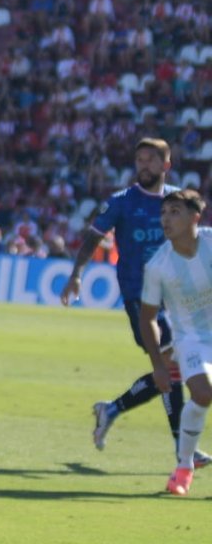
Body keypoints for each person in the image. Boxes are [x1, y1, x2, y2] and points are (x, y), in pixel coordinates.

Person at [61, 138, 210, 467]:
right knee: (173, 365)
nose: (144, 165)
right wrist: (76, 274)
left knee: (174, 369)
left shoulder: (175, 203)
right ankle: (181, 450)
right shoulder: (122, 202)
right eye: (139, 159)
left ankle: (112, 409)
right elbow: (93, 237)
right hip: (139, 296)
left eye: (151, 160)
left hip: (179, 296)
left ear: (165, 166)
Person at [138, 189, 212, 495]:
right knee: (203, 392)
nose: (166, 219)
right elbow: (147, 318)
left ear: (195, 217)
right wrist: (158, 365)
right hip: (191, 338)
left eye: (175, 212)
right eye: (164, 213)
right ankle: (184, 467)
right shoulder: (158, 266)